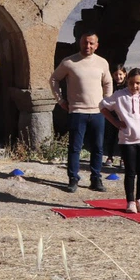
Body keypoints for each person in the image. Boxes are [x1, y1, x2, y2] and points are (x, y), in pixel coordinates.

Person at [48, 32, 113, 193]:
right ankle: (73, 179)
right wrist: (61, 100)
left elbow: (108, 82)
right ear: (80, 43)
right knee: (75, 147)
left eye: (91, 43)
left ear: (96, 45)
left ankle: (96, 178)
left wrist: (106, 102)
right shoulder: (69, 62)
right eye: (85, 42)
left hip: (98, 112)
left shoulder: (102, 63)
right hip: (77, 111)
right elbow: (54, 79)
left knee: (98, 147)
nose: (88, 46)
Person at [100, 68, 140, 213]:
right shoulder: (119, 96)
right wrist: (116, 123)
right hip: (127, 139)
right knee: (130, 171)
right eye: (131, 83)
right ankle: (130, 201)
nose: (134, 86)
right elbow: (103, 106)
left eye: (138, 83)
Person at [104, 63, 127, 165]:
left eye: (120, 74)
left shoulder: (127, 86)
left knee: (123, 137)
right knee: (111, 136)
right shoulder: (110, 86)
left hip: (124, 115)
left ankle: (123, 158)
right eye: (116, 75)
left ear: (125, 74)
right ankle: (109, 156)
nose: (118, 77)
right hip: (112, 115)